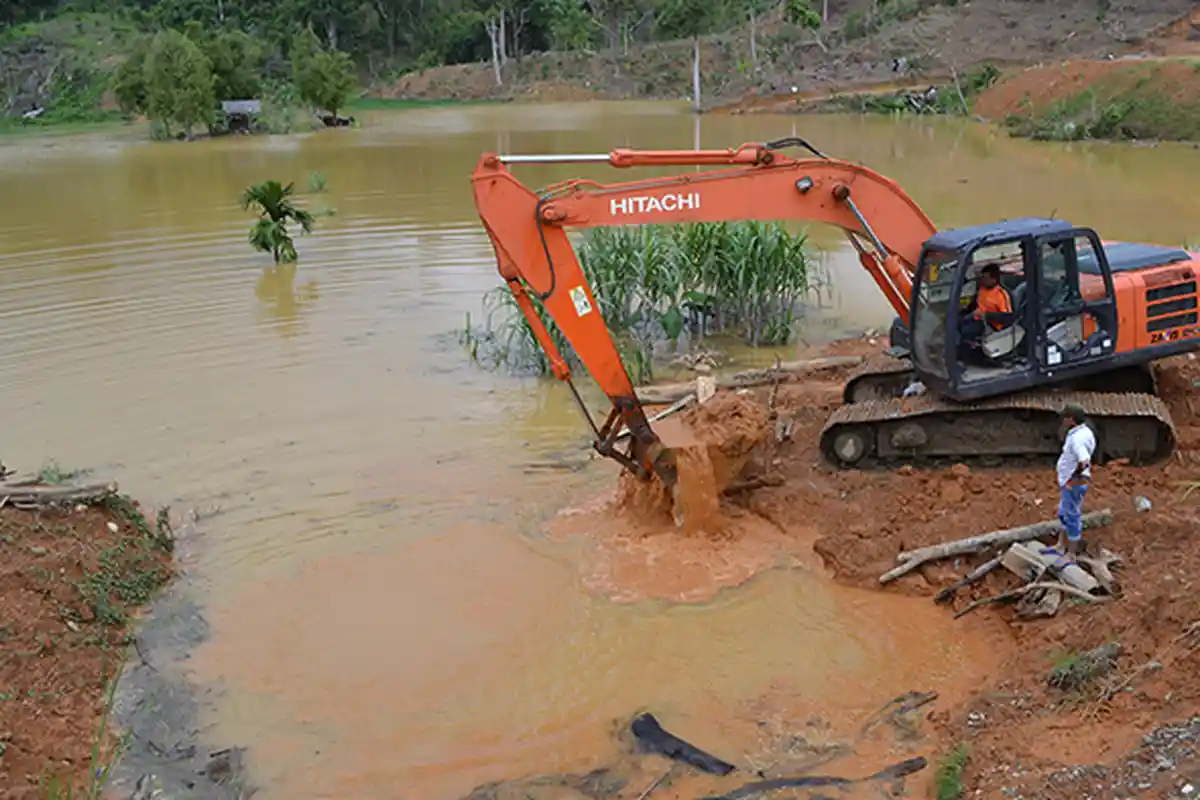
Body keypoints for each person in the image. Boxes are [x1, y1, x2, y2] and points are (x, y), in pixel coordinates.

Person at [1051, 404, 1096, 557]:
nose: (1062, 420)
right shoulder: (1084, 431)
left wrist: (1074, 478)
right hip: (1070, 481)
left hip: (1073, 483)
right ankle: (1060, 546)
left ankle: (1071, 555)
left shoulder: (1077, 439)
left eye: (1065, 417)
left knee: (1071, 516)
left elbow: (1085, 460)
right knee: (1064, 513)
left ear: (1071, 419)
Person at [959, 264, 1015, 353]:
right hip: (976, 316)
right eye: (982, 277)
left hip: (990, 324)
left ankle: (962, 354)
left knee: (967, 330)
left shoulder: (1001, 294)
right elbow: (975, 302)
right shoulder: (982, 288)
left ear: (994, 280)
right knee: (956, 321)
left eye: (986, 278)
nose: (982, 280)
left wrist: (985, 315)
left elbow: (1007, 318)